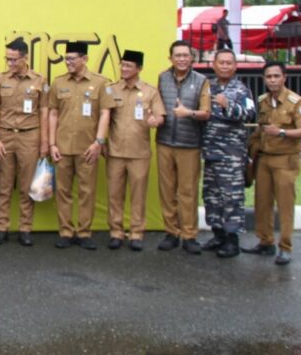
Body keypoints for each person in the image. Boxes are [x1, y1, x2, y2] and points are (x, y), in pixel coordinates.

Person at [244, 61, 301, 266]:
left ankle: (285, 247)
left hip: (285, 159)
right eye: (268, 77)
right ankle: (265, 241)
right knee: (262, 202)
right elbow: (260, 128)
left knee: (285, 204)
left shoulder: (296, 102)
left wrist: (281, 132)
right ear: (264, 79)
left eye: (276, 76)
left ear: (284, 77)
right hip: (264, 158)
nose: (272, 80)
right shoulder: (263, 101)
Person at [47, 42, 110, 250]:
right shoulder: (59, 83)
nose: (68, 62)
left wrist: (99, 141)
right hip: (62, 147)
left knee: (87, 191)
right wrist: (52, 144)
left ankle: (84, 232)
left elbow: (105, 113)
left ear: (84, 59)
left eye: (72, 59)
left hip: (87, 147)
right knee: (63, 191)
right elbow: (53, 113)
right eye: (66, 59)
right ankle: (65, 231)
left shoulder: (100, 83)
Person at [100, 50, 164, 251]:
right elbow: (104, 118)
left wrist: (155, 120)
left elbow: (160, 116)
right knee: (114, 195)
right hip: (115, 152)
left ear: (139, 68)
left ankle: (136, 233)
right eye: (122, 64)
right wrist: (102, 141)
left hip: (139, 153)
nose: (124, 69)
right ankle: (116, 232)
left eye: (128, 66)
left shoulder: (150, 92)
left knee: (138, 195)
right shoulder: (111, 90)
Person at [0, 38, 48, 246]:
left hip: (29, 136)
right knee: (4, 185)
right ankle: (1, 228)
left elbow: (44, 112)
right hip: (5, 136)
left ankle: (25, 229)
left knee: (26, 186)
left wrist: (44, 143)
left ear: (25, 58)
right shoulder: (0, 79)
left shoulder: (39, 80)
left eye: (14, 59)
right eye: (8, 59)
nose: (10, 63)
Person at [155, 40, 211, 254]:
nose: (181, 59)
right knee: (167, 191)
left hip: (189, 144)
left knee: (188, 192)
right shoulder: (163, 78)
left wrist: (189, 113)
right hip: (164, 142)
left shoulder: (201, 81)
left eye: (185, 55)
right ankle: (171, 233)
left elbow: (206, 113)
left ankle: (189, 235)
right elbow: (158, 105)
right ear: (170, 58)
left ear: (191, 58)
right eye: (177, 55)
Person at [201, 49, 255, 258]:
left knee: (231, 197)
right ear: (214, 64)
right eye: (221, 62)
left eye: (228, 63)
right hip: (211, 152)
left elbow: (250, 114)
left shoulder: (242, 90)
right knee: (211, 195)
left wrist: (228, 105)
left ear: (235, 66)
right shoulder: (208, 86)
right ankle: (218, 234)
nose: (224, 66)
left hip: (231, 154)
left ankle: (232, 240)